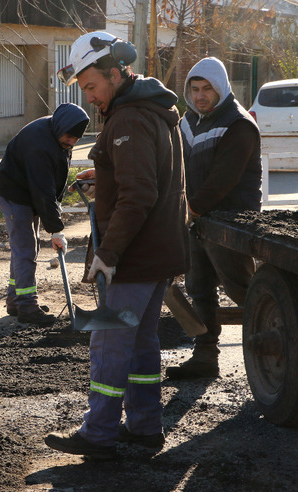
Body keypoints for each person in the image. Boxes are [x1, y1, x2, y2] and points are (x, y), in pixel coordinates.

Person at [44, 31, 189, 460]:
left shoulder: (127, 119)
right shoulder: (151, 110)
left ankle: (99, 433)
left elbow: (139, 194)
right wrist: (102, 176)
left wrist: (108, 254)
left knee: (106, 342)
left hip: (133, 258)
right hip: (158, 253)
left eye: (91, 86)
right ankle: (145, 427)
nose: (89, 97)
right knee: (142, 341)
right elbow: (147, 180)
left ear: (116, 72)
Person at [165, 57, 262, 379]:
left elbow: (225, 178)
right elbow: (171, 166)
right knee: (199, 287)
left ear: (220, 88)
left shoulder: (239, 124)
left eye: (207, 88)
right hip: (198, 220)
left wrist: (189, 210)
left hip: (231, 222)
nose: (200, 95)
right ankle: (205, 355)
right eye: (194, 89)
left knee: (242, 289)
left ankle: (279, 347)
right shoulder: (188, 123)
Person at [0, 103, 89, 325]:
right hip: (14, 193)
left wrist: (55, 211)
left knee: (25, 246)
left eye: (76, 139)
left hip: (28, 192)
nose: (72, 142)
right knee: (25, 247)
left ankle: (16, 301)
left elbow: (54, 180)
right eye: (69, 138)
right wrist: (56, 229)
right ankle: (27, 306)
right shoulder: (39, 144)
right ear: (61, 128)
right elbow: (42, 190)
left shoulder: (59, 133)